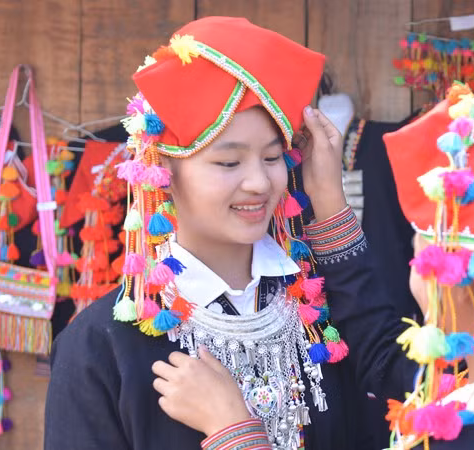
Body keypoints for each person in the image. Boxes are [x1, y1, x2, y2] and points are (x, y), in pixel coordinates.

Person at [153, 84, 474, 448]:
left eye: (420, 250)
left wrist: (234, 430)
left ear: (458, 288)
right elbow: (380, 350)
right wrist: (329, 201)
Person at [44, 17, 391, 450]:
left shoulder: (327, 319)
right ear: (163, 169)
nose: (259, 183)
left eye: (272, 158)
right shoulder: (99, 347)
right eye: (229, 163)